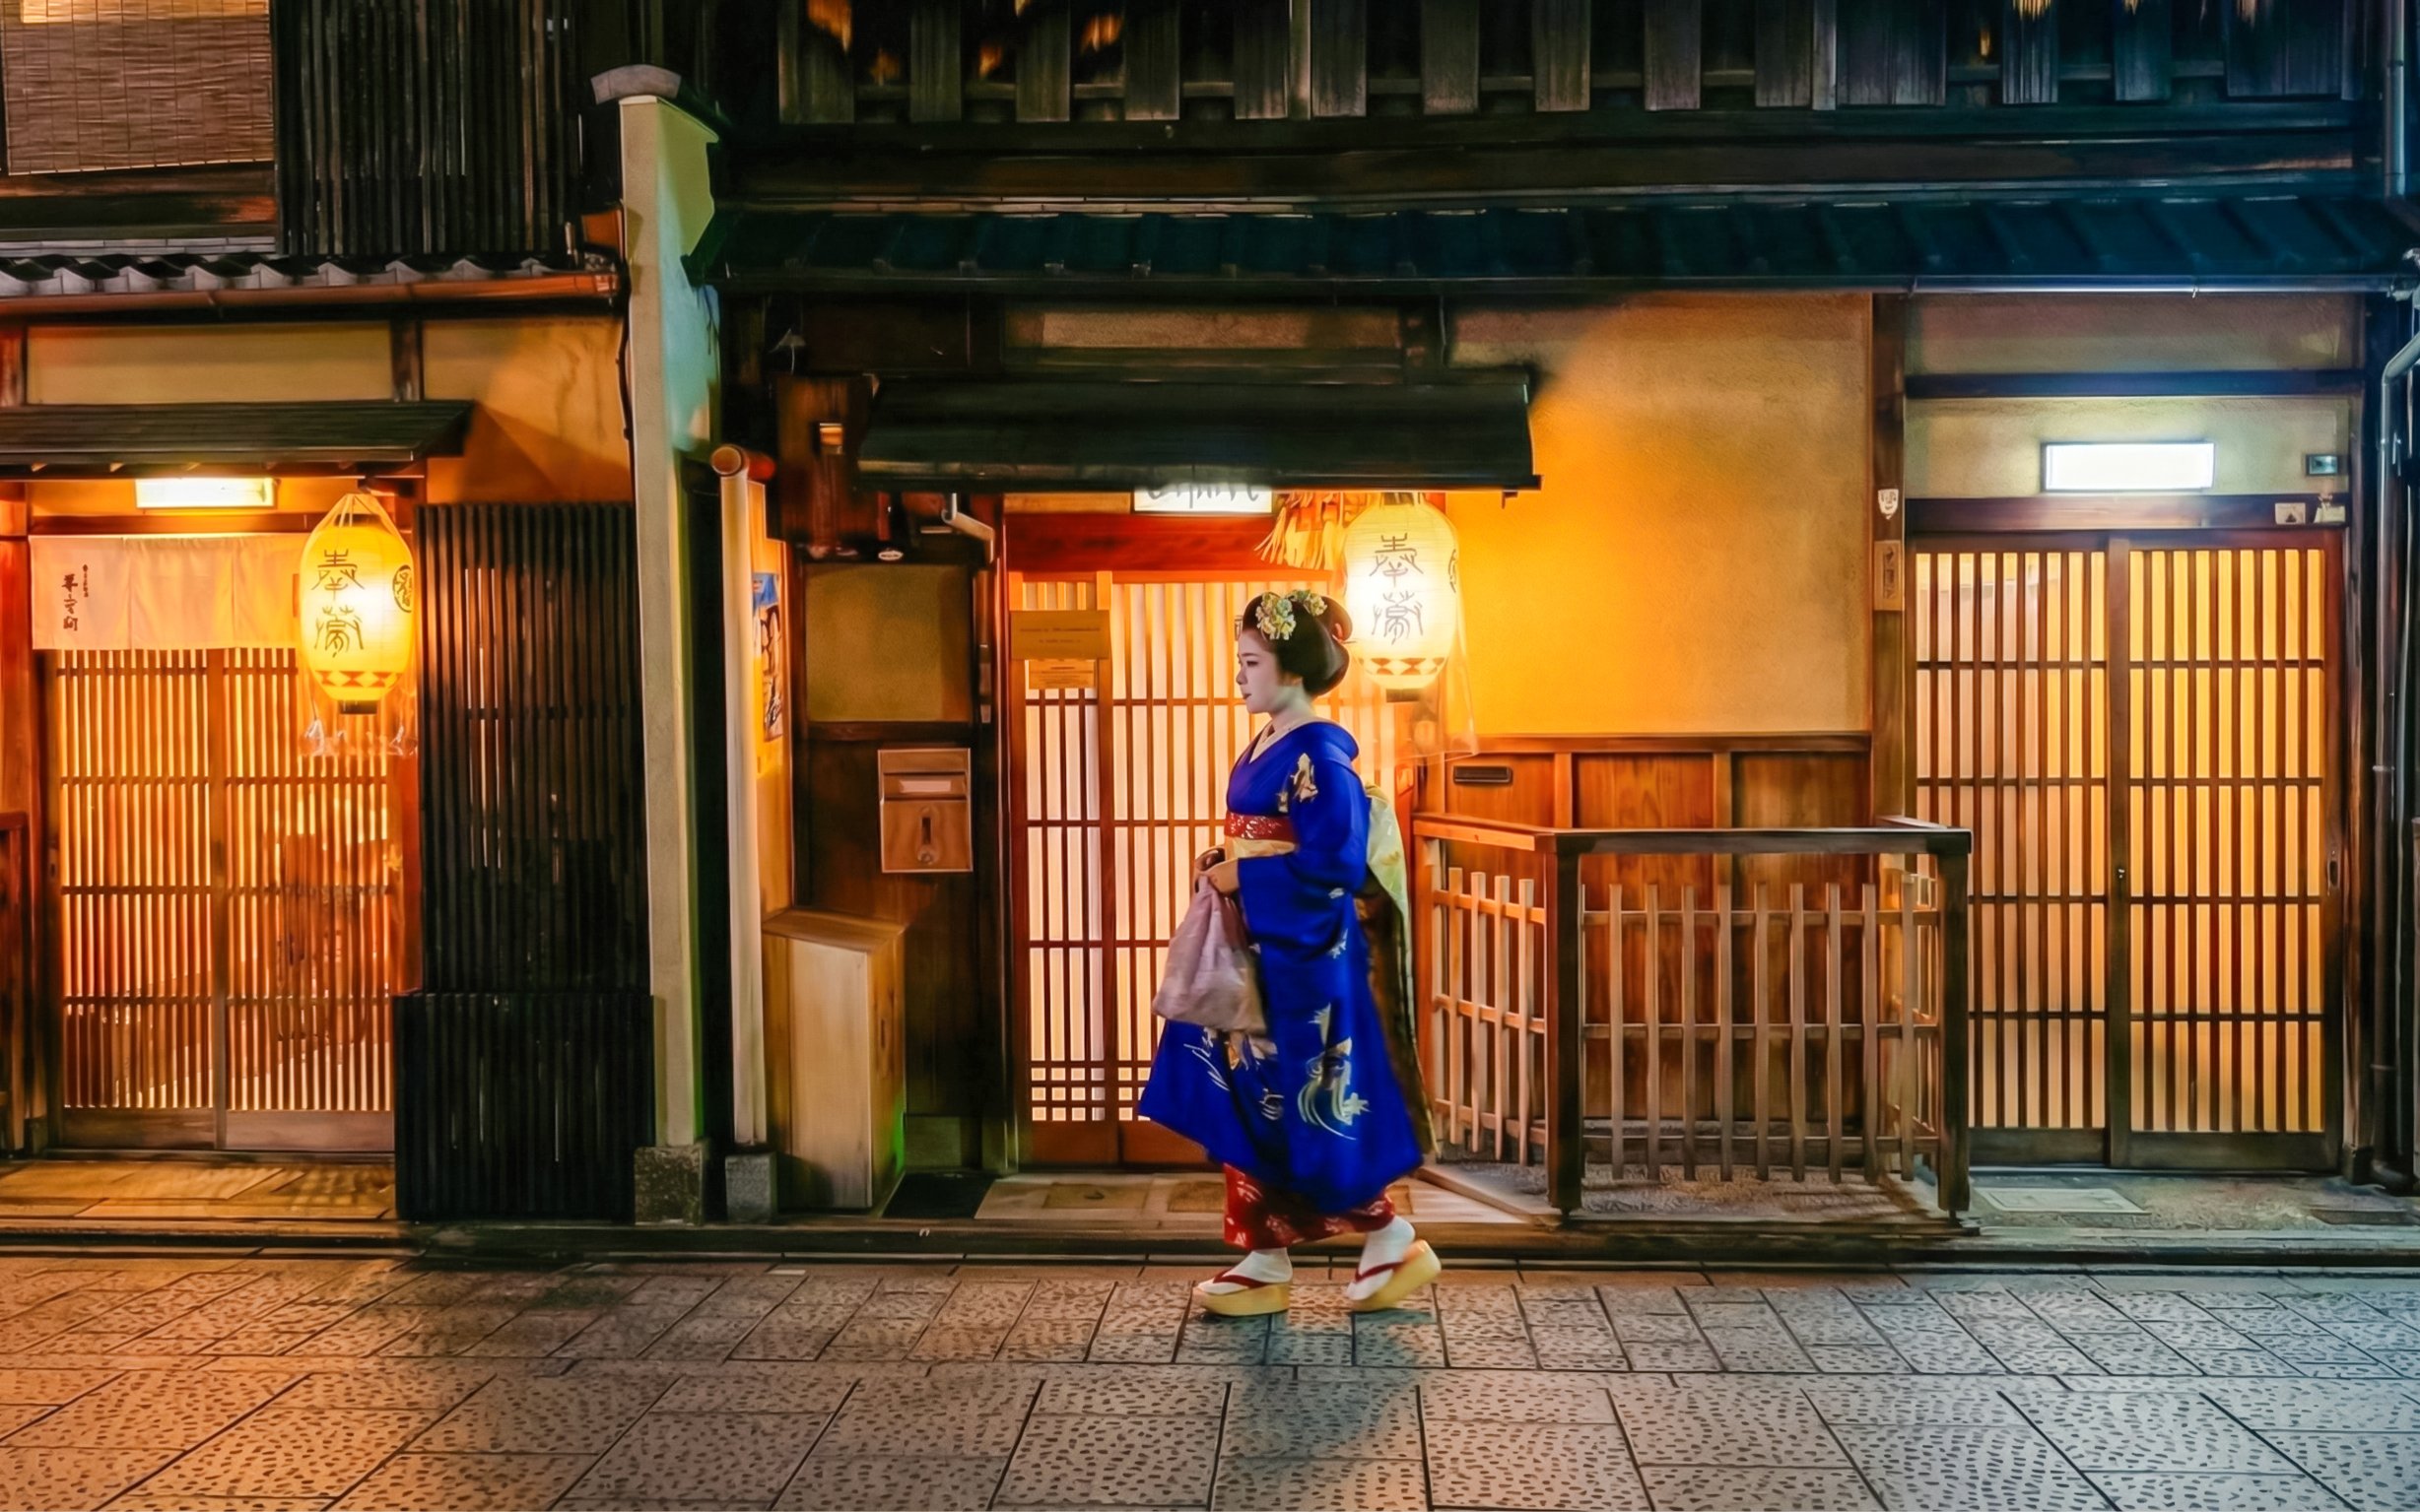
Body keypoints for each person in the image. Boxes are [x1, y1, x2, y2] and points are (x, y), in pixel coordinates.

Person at [1136, 587, 1440, 1317]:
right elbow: (1267, 835)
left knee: (1302, 1106)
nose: (1239, 677)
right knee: (1251, 1100)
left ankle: (1390, 1234)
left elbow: (1331, 862)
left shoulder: (1320, 754)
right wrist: (1229, 856)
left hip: (1303, 963)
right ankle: (1265, 1255)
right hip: (1267, 951)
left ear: (1294, 668)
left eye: (1251, 661)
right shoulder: (1274, 742)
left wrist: (1247, 871)